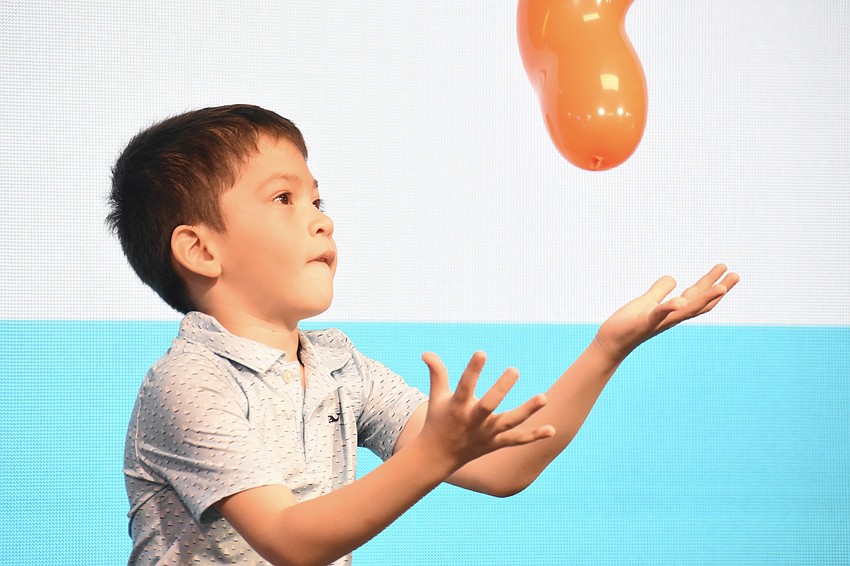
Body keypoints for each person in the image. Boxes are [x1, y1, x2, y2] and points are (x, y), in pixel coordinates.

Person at [108, 104, 739, 566]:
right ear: (199, 248)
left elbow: (505, 469)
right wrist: (435, 453)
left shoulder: (338, 367)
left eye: (319, 200)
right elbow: (290, 540)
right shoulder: (187, 383)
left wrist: (608, 348)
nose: (322, 220)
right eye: (284, 199)